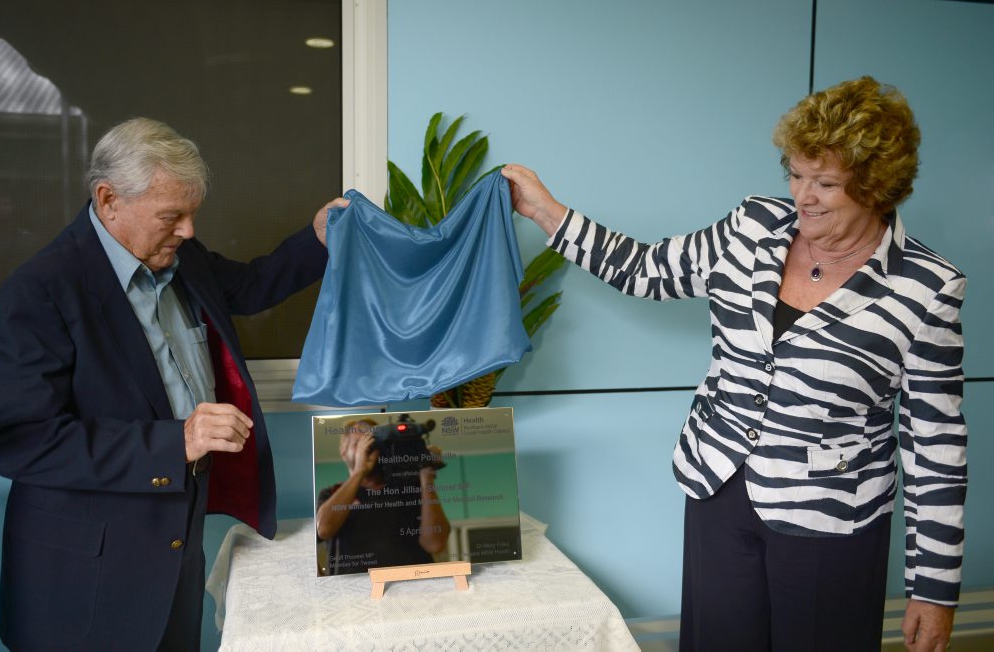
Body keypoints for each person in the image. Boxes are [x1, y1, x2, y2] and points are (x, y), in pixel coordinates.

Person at [502, 76, 966, 652]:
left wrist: (934, 588)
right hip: (718, 484)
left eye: (825, 183)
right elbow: (647, 269)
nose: (803, 196)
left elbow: (936, 443)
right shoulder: (753, 227)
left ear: (876, 188)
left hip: (831, 517)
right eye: (795, 175)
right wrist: (550, 213)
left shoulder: (927, 287)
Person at [0, 117, 348, 651]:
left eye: (192, 214)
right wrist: (176, 443)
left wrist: (318, 239)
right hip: (86, 580)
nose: (189, 230)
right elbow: (22, 440)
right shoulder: (41, 290)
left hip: (177, 545)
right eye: (172, 215)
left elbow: (248, 287)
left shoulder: (180, 256)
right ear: (109, 200)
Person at [316, 418, 451, 574]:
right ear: (343, 451)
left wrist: (426, 474)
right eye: (359, 444)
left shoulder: (410, 490)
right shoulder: (332, 493)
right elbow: (324, 529)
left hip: (413, 588)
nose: (368, 449)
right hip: (357, 594)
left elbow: (435, 544)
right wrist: (360, 471)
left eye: (374, 443)